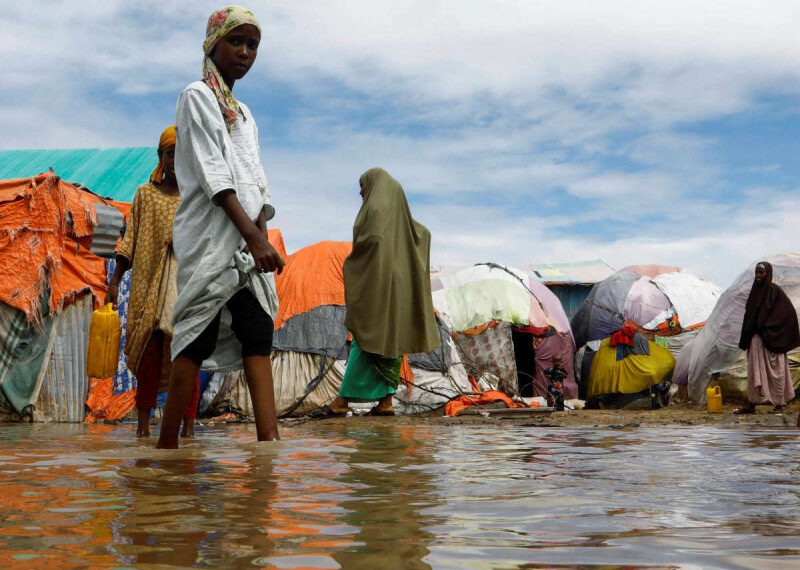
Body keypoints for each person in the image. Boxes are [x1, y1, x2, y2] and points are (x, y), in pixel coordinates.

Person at [156, 6, 284, 448]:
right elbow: (216, 176)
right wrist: (253, 238)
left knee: (257, 330)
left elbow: (256, 181)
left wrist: (261, 239)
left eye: (253, 45)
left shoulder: (244, 114)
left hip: (246, 244)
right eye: (236, 41)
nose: (245, 52)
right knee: (196, 336)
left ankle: (269, 445)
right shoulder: (196, 96)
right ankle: (167, 451)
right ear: (212, 44)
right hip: (210, 239)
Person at [320, 168, 441, 418]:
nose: (360, 192)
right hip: (400, 296)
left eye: (363, 186)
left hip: (378, 290)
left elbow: (372, 242)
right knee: (392, 347)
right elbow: (423, 236)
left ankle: (342, 402)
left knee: (365, 341)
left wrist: (355, 263)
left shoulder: (375, 214)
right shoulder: (408, 230)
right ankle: (385, 402)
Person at [107, 126, 200, 438]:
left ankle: (188, 427)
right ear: (161, 157)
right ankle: (143, 427)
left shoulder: (196, 198)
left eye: (182, 154)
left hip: (185, 285)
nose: (176, 160)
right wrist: (115, 281)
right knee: (151, 350)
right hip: (149, 285)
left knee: (188, 353)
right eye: (170, 153)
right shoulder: (145, 195)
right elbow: (130, 241)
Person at [735, 261, 800, 414]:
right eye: (757, 272)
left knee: (776, 371)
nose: (759, 275)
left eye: (762, 272)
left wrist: (767, 326)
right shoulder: (754, 292)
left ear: (768, 273)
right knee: (754, 371)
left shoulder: (774, 292)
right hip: (756, 339)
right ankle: (751, 404)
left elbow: (787, 314)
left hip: (772, 339)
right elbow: (749, 316)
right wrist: (748, 335)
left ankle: (779, 405)